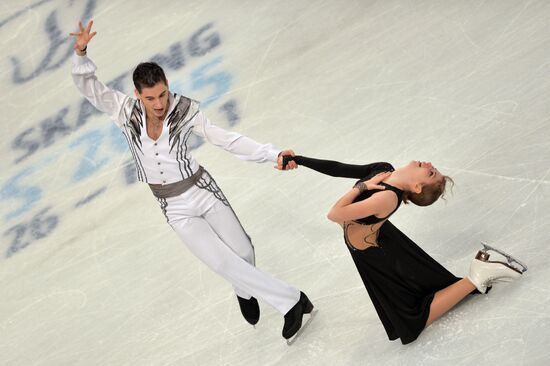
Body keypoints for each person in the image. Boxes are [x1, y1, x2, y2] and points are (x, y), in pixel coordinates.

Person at [69, 20, 313, 342]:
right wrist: (82, 53)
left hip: (202, 190)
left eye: (162, 94)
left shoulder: (185, 112)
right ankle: (292, 301)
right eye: (150, 98)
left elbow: (227, 139)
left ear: (168, 85)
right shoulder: (124, 110)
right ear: (137, 95)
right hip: (173, 206)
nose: (159, 104)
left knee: (242, 254)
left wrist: (273, 154)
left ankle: (244, 288)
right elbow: (91, 90)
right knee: (219, 261)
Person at [278, 155, 526, 344]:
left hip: (375, 254)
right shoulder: (384, 170)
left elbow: (334, 215)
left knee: (410, 321)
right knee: (416, 301)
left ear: (417, 187)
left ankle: (478, 275)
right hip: (380, 242)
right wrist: (299, 159)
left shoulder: (386, 198)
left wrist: (362, 188)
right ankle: (475, 276)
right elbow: (340, 169)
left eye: (429, 172)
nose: (427, 163)